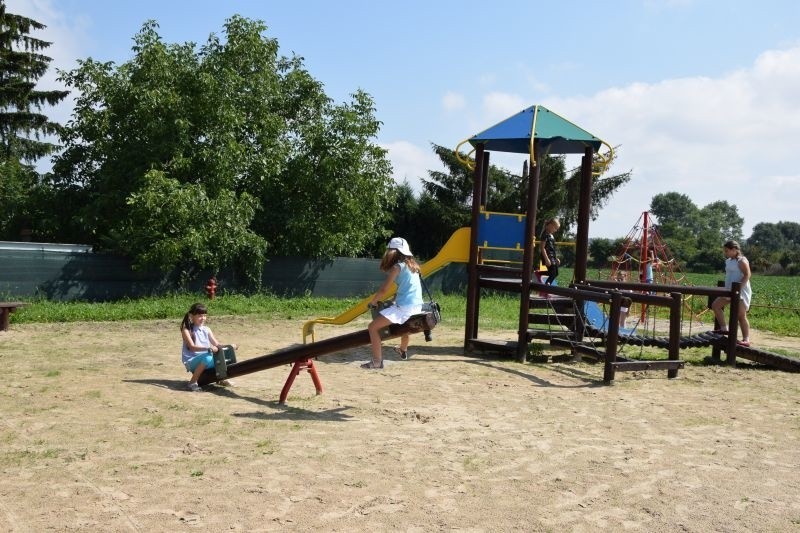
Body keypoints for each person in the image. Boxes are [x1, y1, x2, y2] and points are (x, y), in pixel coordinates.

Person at [364, 237, 424, 369]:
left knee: (373, 327)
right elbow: (407, 289)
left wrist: (373, 302)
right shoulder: (413, 266)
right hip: (417, 306)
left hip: (405, 307)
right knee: (404, 326)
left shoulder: (397, 267)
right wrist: (394, 300)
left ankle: (377, 361)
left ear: (394, 252)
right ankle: (402, 349)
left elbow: (384, 290)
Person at [180, 302, 237, 391]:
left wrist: (230, 347)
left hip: (206, 356)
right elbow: (192, 347)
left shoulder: (207, 329)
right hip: (192, 361)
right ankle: (192, 382)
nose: (203, 318)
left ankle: (221, 379)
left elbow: (217, 345)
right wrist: (208, 349)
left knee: (224, 354)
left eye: (204, 315)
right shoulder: (186, 330)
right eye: (199, 316)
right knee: (208, 357)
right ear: (191, 316)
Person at [711, 240, 752, 346]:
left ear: (734, 250)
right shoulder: (728, 261)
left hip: (740, 291)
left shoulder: (742, 261)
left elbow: (747, 275)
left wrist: (738, 289)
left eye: (727, 251)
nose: (725, 253)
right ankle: (724, 329)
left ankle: (746, 339)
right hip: (728, 290)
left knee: (741, 316)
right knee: (715, 306)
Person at [540, 218, 561, 286]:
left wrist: (556, 258)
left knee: (555, 273)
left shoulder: (551, 236)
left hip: (552, 257)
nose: (556, 230)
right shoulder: (545, 235)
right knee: (553, 273)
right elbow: (542, 248)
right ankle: (546, 287)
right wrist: (546, 259)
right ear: (551, 226)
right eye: (555, 228)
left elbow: (553, 249)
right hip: (547, 257)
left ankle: (540, 273)